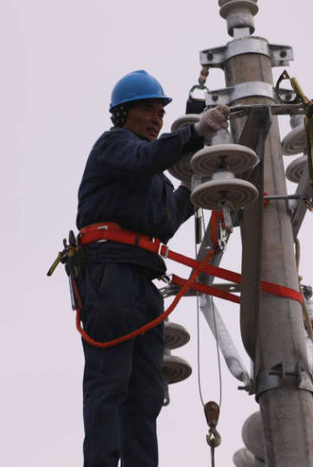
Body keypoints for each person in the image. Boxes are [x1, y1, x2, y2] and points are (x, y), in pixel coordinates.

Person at [75, 70, 229, 467]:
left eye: (160, 112)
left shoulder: (153, 178)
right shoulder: (114, 146)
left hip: (143, 282)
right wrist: (196, 132)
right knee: (110, 382)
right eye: (148, 110)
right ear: (123, 113)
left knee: (145, 394)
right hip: (111, 276)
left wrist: (199, 182)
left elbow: (166, 220)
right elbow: (146, 157)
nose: (157, 119)